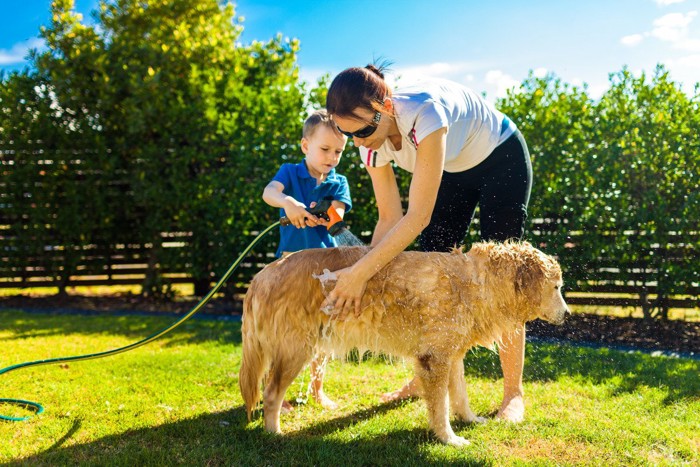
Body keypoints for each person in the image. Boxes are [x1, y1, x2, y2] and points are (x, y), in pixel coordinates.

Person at [324, 65, 533, 422]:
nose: (357, 142)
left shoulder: (425, 113)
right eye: (347, 133)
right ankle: (425, 377)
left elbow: (416, 216)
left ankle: (513, 393)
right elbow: (389, 219)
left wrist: (359, 274)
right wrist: (365, 274)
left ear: (385, 107)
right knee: (434, 269)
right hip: (451, 169)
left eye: (363, 131)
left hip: (500, 157)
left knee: (505, 276)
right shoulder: (369, 147)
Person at [262, 108, 352, 410]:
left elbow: (338, 211)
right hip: (290, 265)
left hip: (325, 267)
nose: (332, 157)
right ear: (305, 146)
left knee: (323, 327)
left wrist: (328, 217)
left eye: (338, 151)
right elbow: (269, 192)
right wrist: (289, 203)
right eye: (325, 149)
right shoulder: (289, 172)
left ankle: (317, 388)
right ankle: (276, 388)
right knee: (286, 328)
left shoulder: (338, 182)